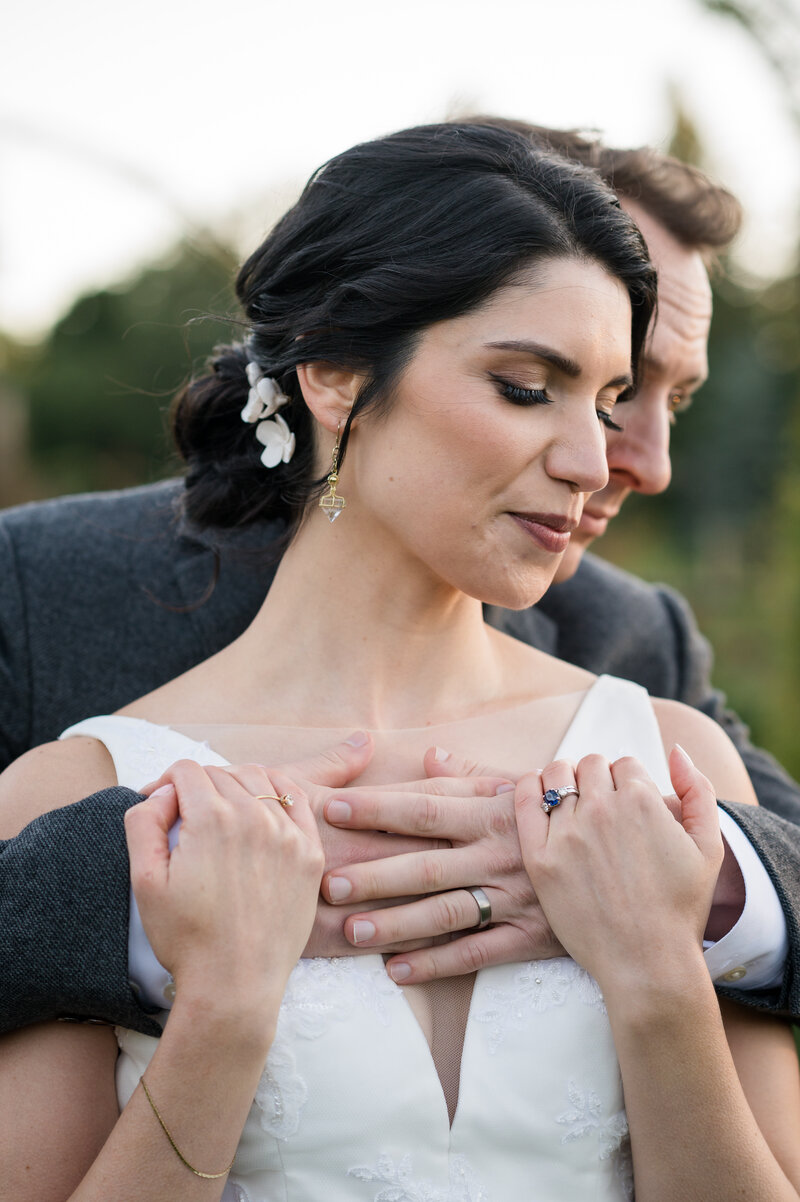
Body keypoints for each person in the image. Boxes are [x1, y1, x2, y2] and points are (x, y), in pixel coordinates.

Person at [2, 121, 799, 1202]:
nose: (595, 458)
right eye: (525, 386)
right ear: (332, 374)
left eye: (606, 398)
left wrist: (662, 961)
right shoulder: (75, 792)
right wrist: (228, 1003)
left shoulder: (666, 754)